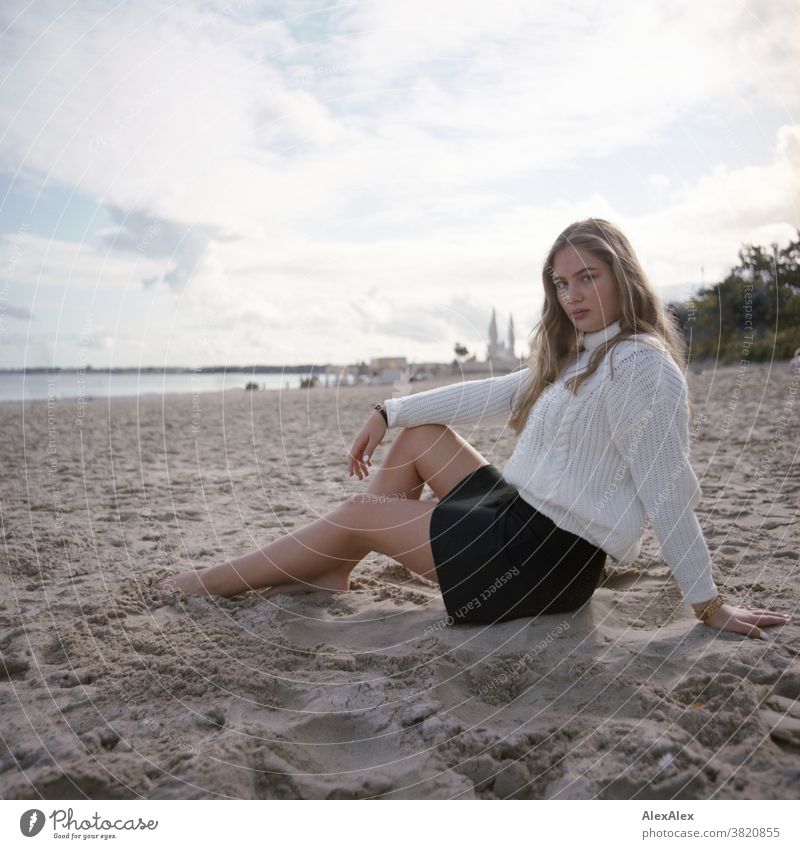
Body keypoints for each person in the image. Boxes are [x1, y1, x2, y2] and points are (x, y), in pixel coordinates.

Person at [155, 219, 789, 640]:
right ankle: (337, 563)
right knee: (420, 435)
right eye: (562, 282)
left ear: (623, 275)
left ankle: (208, 582)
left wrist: (709, 605)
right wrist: (388, 412)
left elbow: (667, 491)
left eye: (588, 277)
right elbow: (493, 392)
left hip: (543, 561)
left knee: (358, 510)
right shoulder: (583, 352)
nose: (572, 294)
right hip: (516, 512)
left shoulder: (643, 370)